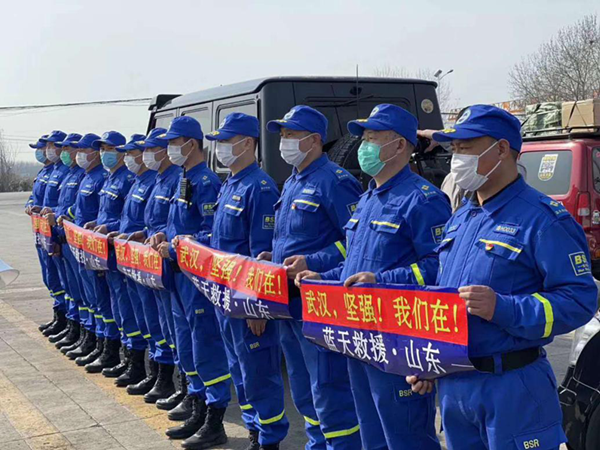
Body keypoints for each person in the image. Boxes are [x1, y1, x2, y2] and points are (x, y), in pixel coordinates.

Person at [404, 105, 598, 450]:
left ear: (502, 149)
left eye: (467, 147)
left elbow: (580, 300)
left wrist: (503, 308)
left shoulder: (542, 219)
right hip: (456, 387)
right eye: (455, 148)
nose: (457, 158)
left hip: (512, 388)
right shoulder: (462, 217)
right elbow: (444, 297)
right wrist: (430, 359)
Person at [297, 104, 449, 450]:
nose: (364, 146)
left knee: (406, 437)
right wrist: (321, 276)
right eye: (364, 138)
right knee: (371, 434)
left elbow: (440, 266)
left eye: (373, 138)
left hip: (399, 340)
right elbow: (357, 266)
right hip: (360, 336)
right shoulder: (368, 198)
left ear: (399, 145)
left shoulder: (423, 199)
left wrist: (384, 281)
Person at [262, 106, 362, 450]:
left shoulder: (335, 181)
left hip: (318, 303)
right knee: (304, 390)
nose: (284, 141)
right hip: (287, 301)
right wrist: (272, 258)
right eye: (283, 135)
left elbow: (355, 242)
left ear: (314, 139)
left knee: (329, 390)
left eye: (291, 134)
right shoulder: (293, 180)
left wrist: (314, 261)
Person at [196, 112, 287, 450]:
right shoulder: (230, 183)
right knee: (240, 371)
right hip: (224, 296)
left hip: (246, 300)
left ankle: (270, 439)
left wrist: (256, 306)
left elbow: (260, 254)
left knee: (259, 373)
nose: (219, 148)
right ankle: (254, 432)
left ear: (247, 143)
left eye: (225, 141)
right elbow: (220, 240)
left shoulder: (259, 188)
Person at [148, 116, 231, 447]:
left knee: (206, 346)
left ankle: (214, 418)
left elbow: (211, 235)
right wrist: (160, 235)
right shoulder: (184, 178)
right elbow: (178, 225)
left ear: (190, 144)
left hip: (196, 278)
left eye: (173, 143)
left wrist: (176, 247)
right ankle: (196, 403)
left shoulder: (206, 181)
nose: (169, 149)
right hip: (178, 275)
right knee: (187, 344)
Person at [79, 131, 135, 374]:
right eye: (102, 149)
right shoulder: (110, 178)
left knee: (127, 308)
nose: (104, 154)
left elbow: (130, 221)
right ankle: (109, 348)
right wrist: (97, 225)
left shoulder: (127, 179)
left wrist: (109, 227)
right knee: (107, 301)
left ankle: (131, 360)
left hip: (121, 252)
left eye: (109, 149)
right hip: (101, 249)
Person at [60, 133, 106, 362]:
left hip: (96, 248)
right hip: (78, 244)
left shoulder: (101, 178)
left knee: (101, 299)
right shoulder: (86, 177)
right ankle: (90, 338)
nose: (78, 155)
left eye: (82, 150)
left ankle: (106, 347)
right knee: (85, 294)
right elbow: (76, 209)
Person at [42, 133, 85, 351]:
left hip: (81, 242)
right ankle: (73, 327)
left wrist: (64, 215)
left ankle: (94, 339)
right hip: (61, 236)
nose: (66, 153)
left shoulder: (86, 175)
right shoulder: (68, 174)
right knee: (68, 285)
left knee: (88, 294)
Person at [27, 131, 69, 337]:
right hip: (42, 232)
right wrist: (30, 206)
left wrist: (53, 213)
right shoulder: (45, 172)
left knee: (65, 281)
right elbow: (36, 197)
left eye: (49, 147)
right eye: (43, 148)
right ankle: (59, 315)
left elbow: (63, 204)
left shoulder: (63, 172)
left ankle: (68, 321)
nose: (44, 151)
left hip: (57, 233)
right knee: (50, 277)